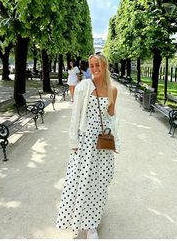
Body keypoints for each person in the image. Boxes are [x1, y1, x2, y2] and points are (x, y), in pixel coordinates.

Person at [56, 54, 120, 239]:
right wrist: (73, 141)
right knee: (81, 180)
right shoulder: (84, 86)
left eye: (97, 65)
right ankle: (83, 223)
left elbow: (112, 117)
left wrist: (115, 140)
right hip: (85, 141)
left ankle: (93, 222)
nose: (94, 68)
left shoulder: (112, 90)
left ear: (105, 66)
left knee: (100, 181)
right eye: (91, 65)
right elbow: (75, 115)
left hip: (102, 141)